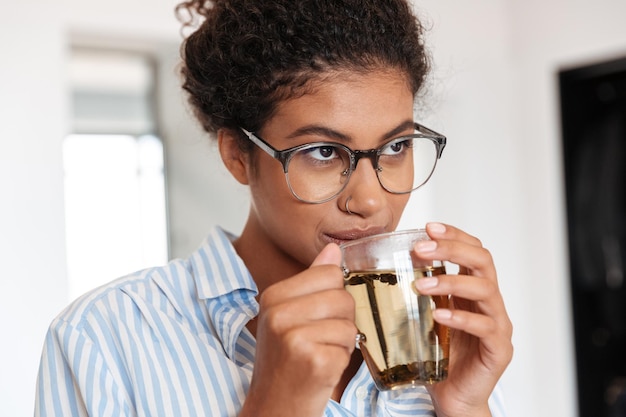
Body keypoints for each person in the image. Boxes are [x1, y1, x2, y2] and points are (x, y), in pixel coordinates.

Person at [35, 0, 513, 416]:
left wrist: (467, 408)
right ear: (238, 156)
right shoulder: (102, 340)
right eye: (324, 152)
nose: (369, 200)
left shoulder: (440, 344)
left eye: (396, 147)